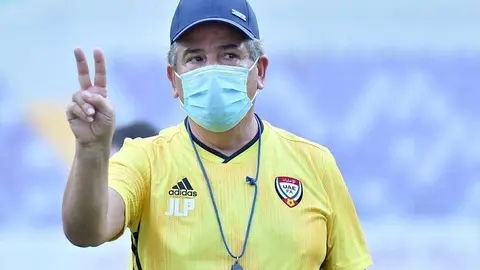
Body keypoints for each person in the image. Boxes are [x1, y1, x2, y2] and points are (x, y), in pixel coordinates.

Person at [61, 0, 373, 269]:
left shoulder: (316, 164)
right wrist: (91, 149)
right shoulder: (145, 161)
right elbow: (86, 231)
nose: (212, 69)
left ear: (260, 71)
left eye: (229, 56)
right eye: (195, 58)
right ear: (174, 80)